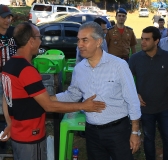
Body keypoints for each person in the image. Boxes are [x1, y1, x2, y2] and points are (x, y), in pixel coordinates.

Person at [0, 22, 106, 160]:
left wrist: (10, 124)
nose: (41, 41)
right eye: (39, 37)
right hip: (31, 137)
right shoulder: (27, 70)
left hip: (17, 134)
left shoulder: (9, 66)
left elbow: (5, 98)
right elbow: (48, 105)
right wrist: (83, 106)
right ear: (31, 41)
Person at [52, 22, 141, 160]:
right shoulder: (79, 69)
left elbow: (132, 100)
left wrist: (135, 132)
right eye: (78, 40)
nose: (79, 45)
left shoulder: (119, 66)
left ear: (99, 41)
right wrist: (48, 99)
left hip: (118, 131)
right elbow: (73, 95)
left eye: (85, 40)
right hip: (92, 132)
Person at [129, 26, 168, 160]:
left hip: (165, 107)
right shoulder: (135, 59)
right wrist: (135, 94)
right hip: (145, 109)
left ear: (156, 41)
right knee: (149, 138)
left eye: (147, 39)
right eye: (142, 38)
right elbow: (126, 81)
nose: (142, 42)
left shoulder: (167, 57)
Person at [0, 4, 17, 149]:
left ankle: (12, 139)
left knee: (12, 109)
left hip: (13, 77)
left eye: (9, 17)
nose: (8, 20)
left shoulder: (14, 33)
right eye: (4, 17)